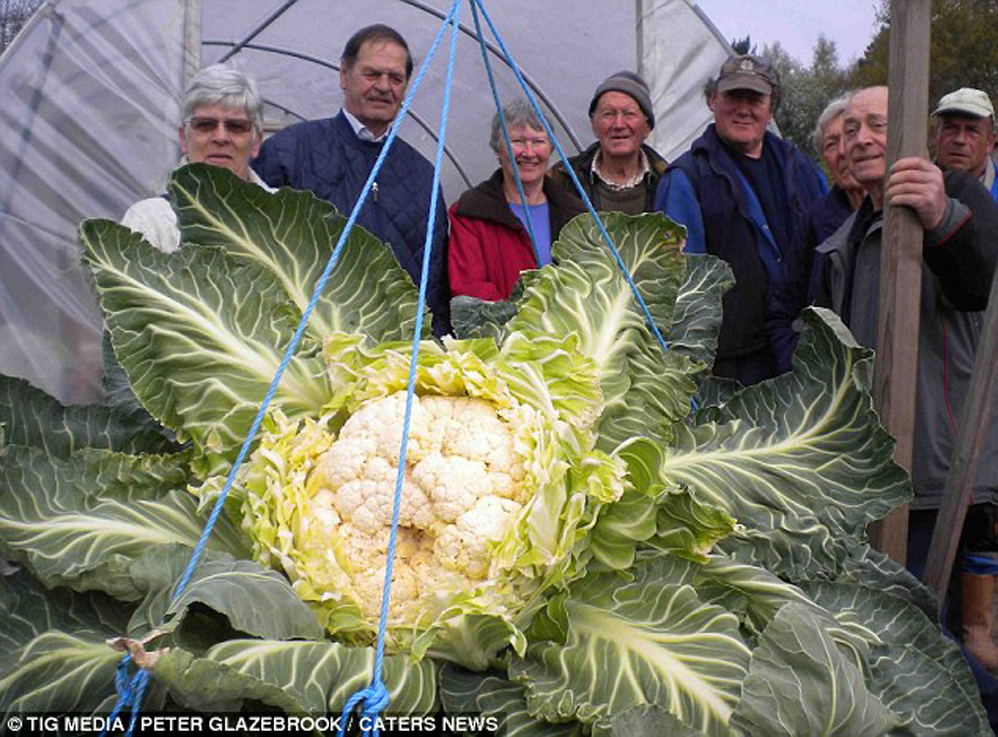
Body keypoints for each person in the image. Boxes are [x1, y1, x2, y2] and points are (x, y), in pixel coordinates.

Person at [811, 86, 998, 667]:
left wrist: (942, 215)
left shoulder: (957, 194)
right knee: (898, 644)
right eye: (848, 131)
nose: (860, 139)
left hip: (938, 474)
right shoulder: (847, 236)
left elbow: (983, 283)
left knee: (946, 647)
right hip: (873, 474)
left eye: (877, 125)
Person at [252, 24, 450, 335]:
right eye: (372, 74)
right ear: (344, 74)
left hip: (395, 357)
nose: (384, 87)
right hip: (310, 347)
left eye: (395, 78)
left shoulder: (423, 174)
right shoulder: (290, 151)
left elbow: (435, 283)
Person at [655, 54, 826, 385]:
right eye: (733, 97)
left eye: (755, 99)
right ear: (712, 101)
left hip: (797, 355)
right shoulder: (687, 178)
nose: (743, 108)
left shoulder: (802, 168)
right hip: (729, 368)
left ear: (771, 107)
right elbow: (679, 285)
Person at [122, 64, 274, 252]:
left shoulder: (289, 219)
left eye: (236, 126)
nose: (220, 137)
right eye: (205, 124)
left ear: (257, 142)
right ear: (184, 139)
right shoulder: (149, 221)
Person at [448, 99, 585, 301]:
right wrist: (521, 324)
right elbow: (469, 290)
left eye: (538, 142)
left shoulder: (576, 215)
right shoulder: (471, 213)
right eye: (518, 141)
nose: (528, 153)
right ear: (498, 150)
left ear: (551, 149)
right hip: (500, 331)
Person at [767, 93, 866, 372]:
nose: (843, 152)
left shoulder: (902, 213)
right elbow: (783, 310)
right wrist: (800, 370)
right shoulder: (814, 221)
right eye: (831, 144)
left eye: (849, 136)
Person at [549, 71, 667, 214]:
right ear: (594, 124)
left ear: (647, 126)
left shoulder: (668, 180)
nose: (618, 125)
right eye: (608, 114)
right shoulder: (564, 178)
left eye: (629, 114)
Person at [931, 87, 998, 201]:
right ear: (934, 135)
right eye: (951, 128)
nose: (960, 140)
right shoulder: (909, 186)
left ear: (989, 142)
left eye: (972, 130)